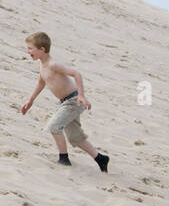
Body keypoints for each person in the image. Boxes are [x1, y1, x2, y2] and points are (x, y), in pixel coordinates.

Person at [19, 31, 108, 172]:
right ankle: (101, 159)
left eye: (30, 48)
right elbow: (41, 82)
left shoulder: (53, 65)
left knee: (54, 126)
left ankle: (64, 158)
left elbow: (76, 74)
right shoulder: (42, 65)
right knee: (75, 137)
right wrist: (30, 100)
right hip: (66, 102)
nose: (28, 51)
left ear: (42, 50)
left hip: (73, 101)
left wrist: (81, 95)